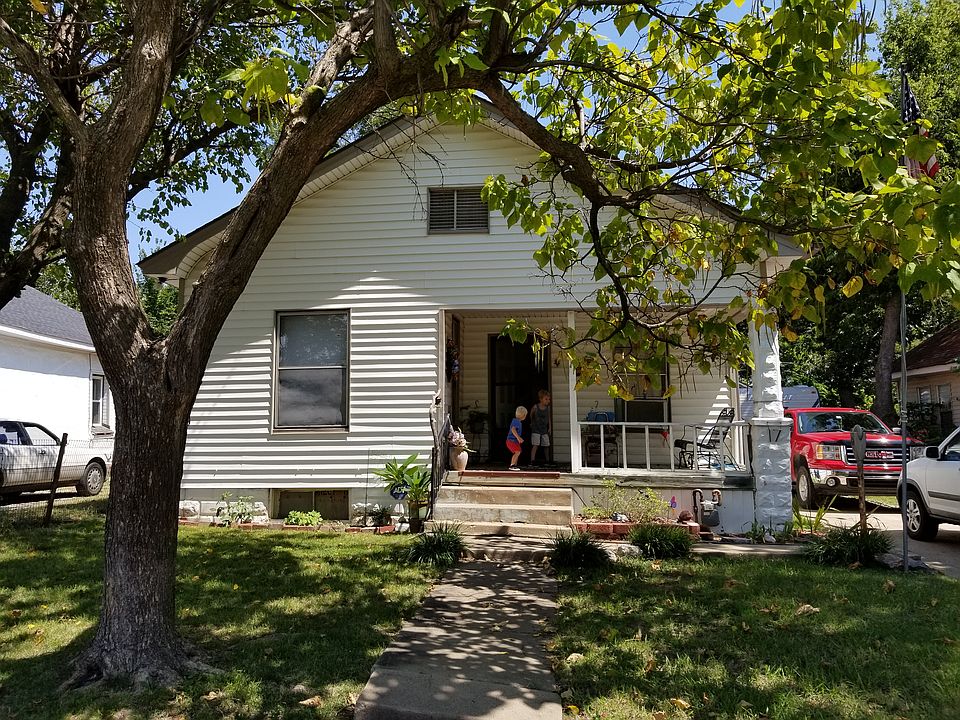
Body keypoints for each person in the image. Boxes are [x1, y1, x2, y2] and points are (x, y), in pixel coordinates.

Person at [529, 390, 552, 465]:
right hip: (536, 429)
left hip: (544, 429)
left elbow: (549, 418)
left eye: (549, 399)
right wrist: (531, 422)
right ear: (541, 399)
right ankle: (532, 460)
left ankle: (547, 460)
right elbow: (531, 415)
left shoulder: (547, 408)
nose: (548, 401)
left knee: (546, 445)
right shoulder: (536, 407)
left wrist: (550, 427)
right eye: (546, 399)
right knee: (535, 444)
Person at [506, 405, 527, 470]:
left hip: (512, 441)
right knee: (517, 452)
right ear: (523, 415)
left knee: (518, 452)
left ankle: (515, 465)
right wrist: (518, 437)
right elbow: (513, 429)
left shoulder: (516, 421)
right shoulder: (517, 421)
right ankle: (512, 465)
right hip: (511, 441)